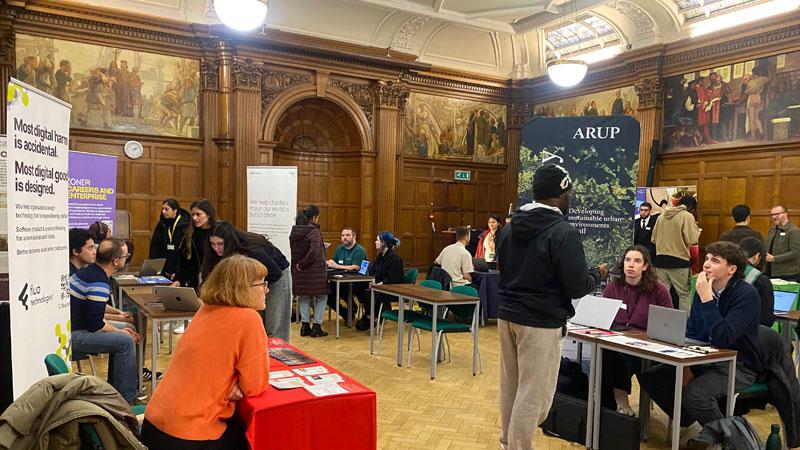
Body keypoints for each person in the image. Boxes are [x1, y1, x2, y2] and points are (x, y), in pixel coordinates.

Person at [495, 163, 606, 450]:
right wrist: (598, 274)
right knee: (536, 395)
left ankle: (507, 443)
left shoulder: (508, 229)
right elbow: (577, 286)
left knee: (511, 385)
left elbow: (502, 268)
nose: (571, 198)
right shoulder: (562, 232)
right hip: (540, 321)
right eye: (569, 193)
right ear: (560, 194)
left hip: (507, 314)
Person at [141, 255, 270, 450]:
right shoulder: (248, 319)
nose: (267, 290)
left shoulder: (205, 310)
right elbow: (255, 385)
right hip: (189, 435)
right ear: (245, 288)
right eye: (262, 284)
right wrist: (236, 382)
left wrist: (231, 381)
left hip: (154, 425)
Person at [638, 241, 761, 443]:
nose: (706, 264)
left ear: (732, 269)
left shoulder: (746, 295)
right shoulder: (705, 289)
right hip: (704, 359)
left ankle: (731, 442)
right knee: (652, 377)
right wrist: (687, 364)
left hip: (736, 365)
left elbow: (723, 338)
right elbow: (693, 330)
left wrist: (707, 299)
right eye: (706, 258)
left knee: (694, 395)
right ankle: (693, 422)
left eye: (715, 261)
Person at [600, 245, 672, 415]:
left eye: (637, 261)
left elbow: (668, 323)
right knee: (609, 353)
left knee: (618, 355)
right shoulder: (613, 287)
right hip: (618, 340)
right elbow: (602, 317)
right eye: (628, 260)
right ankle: (615, 404)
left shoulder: (658, 289)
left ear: (645, 266)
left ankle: (619, 404)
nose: (631, 265)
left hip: (648, 345)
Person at [70, 238, 140, 403]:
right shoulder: (99, 281)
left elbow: (96, 304)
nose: (126, 257)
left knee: (128, 327)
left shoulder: (91, 272)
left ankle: (116, 386)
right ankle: (126, 399)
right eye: (126, 255)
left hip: (79, 326)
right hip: (73, 334)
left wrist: (118, 313)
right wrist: (120, 332)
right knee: (125, 341)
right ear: (116, 261)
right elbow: (96, 324)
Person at [202, 221, 291, 341]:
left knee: (275, 326)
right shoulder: (213, 253)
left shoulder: (252, 250)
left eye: (220, 244)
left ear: (229, 242)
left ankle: (277, 353)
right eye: (213, 244)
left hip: (276, 278)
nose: (216, 248)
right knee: (258, 325)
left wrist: (253, 287)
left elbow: (275, 273)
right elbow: (210, 276)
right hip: (255, 282)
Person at [172, 199, 218, 334]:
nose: (195, 218)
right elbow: (187, 261)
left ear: (208, 214)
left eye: (199, 214)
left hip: (213, 275)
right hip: (196, 275)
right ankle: (186, 320)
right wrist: (179, 279)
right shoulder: (191, 233)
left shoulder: (218, 231)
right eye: (193, 214)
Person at [651, 195, 701, 311]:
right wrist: (697, 231)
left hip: (660, 261)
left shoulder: (662, 216)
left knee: (661, 294)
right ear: (690, 207)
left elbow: (653, 239)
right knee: (684, 295)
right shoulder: (687, 216)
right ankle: (684, 325)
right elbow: (692, 240)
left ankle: (659, 321)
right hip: (679, 261)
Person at [290, 205, 329, 338]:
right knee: (322, 296)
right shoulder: (314, 231)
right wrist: (304, 263)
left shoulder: (295, 230)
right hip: (314, 271)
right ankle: (317, 327)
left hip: (300, 271)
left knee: (304, 297)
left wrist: (299, 265)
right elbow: (314, 252)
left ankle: (305, 326)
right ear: (314, 217)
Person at [326, 227, 368, 326]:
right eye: (343, 235)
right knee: (325, 293)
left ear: (354, 237)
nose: (345, 237)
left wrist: (337, 266)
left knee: (342, 288)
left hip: (357, 283)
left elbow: (356, 267)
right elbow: (334, 262)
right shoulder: (339, 248)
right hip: (341, 280)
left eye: (348, 235)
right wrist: (329, 263)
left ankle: (352, 308)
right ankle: (345, 313)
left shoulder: (359, 250)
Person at [365, 231, 404, 325]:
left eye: (377, 240)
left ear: (383, 243)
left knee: (372, 294)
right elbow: (375, 271)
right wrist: (373, 282)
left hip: (394, 289)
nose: (375, 242)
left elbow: (392, 279)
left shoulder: (395, 259)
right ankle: (370, 316)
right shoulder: (380, 256)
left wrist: (377, 285)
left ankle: (373, 318)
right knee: (364, 290)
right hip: (382, 286)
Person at [148, 198, 191, 279]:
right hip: (164, 265)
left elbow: (185, 250)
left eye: (166, 209)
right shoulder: (162, 224)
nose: (163, 211)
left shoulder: (185, 225)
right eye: (162, 209)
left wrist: (178, 271)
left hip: (178, 266)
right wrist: (154, 267)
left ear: (175, 210)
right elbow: (155, 245)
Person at [740, 237, 775, 327]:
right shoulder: (761, 280)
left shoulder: (726, 270)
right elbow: (767, 320)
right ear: (756, 256)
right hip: (749, 333)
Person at [765, 205, 800, 281]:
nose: (774, 217)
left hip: (787, 274)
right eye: (772, 215)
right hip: (770, 271)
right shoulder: (772, 230)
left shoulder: (793, 231)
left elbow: (795, 253)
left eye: (777, 214)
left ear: (785, 214)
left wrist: (774, 259)